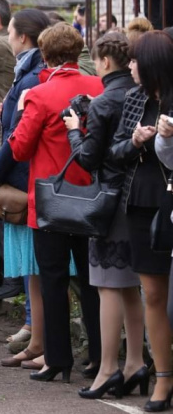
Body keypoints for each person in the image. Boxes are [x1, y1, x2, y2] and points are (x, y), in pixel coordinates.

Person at [8, 23, 103, 383]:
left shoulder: (38, 93)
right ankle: (99, 357)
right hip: (92, 196)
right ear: (78, 52)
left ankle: (58, 358)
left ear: (44, 55)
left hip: (51, 198)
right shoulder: (99, 87)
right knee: (95, 282)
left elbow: (19, 148)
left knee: (53, 280)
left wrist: (18, 112)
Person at [61, 32, 146, 400]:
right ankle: (136, 362)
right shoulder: (139, 94)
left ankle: (109, 367)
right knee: (131, 286)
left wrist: (73, 131)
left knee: (108, 286)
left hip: (108, 203)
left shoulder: (103, 102)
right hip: (137, 199)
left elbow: (87, 159)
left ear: (104, 62)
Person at [110, 31, 173, 411]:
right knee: (152, 294)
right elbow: (114, 152)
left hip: (169, 199)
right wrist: (134, 141)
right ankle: (163, 376)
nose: (129, 66)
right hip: (141, 201)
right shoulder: (133, 99)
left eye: (134, 61)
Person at [0, 8, 51, 368]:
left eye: (10, 32)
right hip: (32, 178)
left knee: (38, 268)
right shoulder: (25, 73)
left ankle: (42, 342)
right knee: (35, 268)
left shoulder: (30, 79)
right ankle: (36, 335)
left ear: (22, 37)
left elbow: (17, 137)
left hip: (28, 179)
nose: (8, 39)